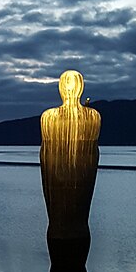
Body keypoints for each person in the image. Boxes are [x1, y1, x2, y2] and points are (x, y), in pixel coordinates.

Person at [40, 70, 101, 257]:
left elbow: (45, 160)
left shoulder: (48, 118)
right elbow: (92, 158)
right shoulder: (93, 117)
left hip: (57, 225)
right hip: (79, 226)